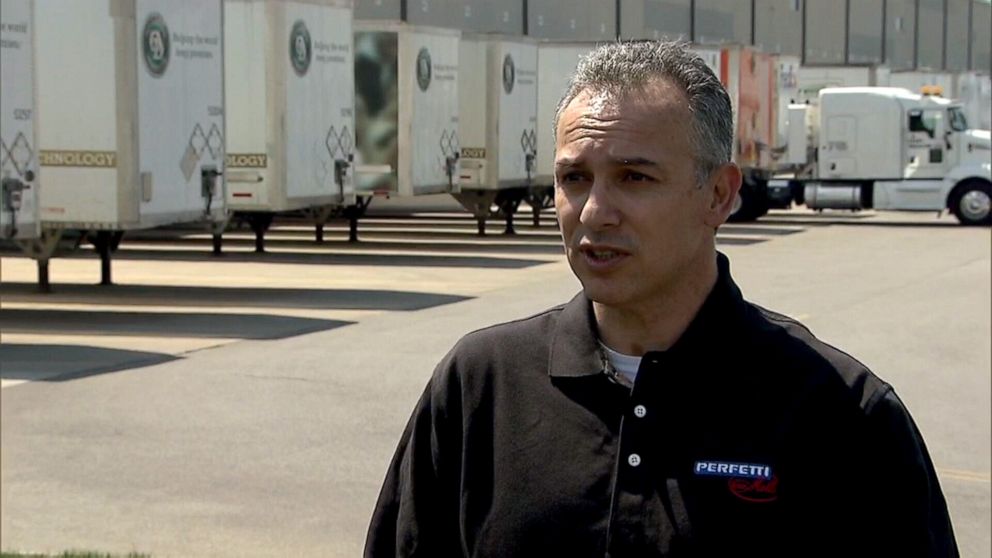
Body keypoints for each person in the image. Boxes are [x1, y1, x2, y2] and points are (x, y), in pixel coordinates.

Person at [365, 41, 958, 557]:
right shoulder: (481, 385)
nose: (595, 212)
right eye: (574, 178)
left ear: (719, 195)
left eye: (635, 178)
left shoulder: (842, 414)